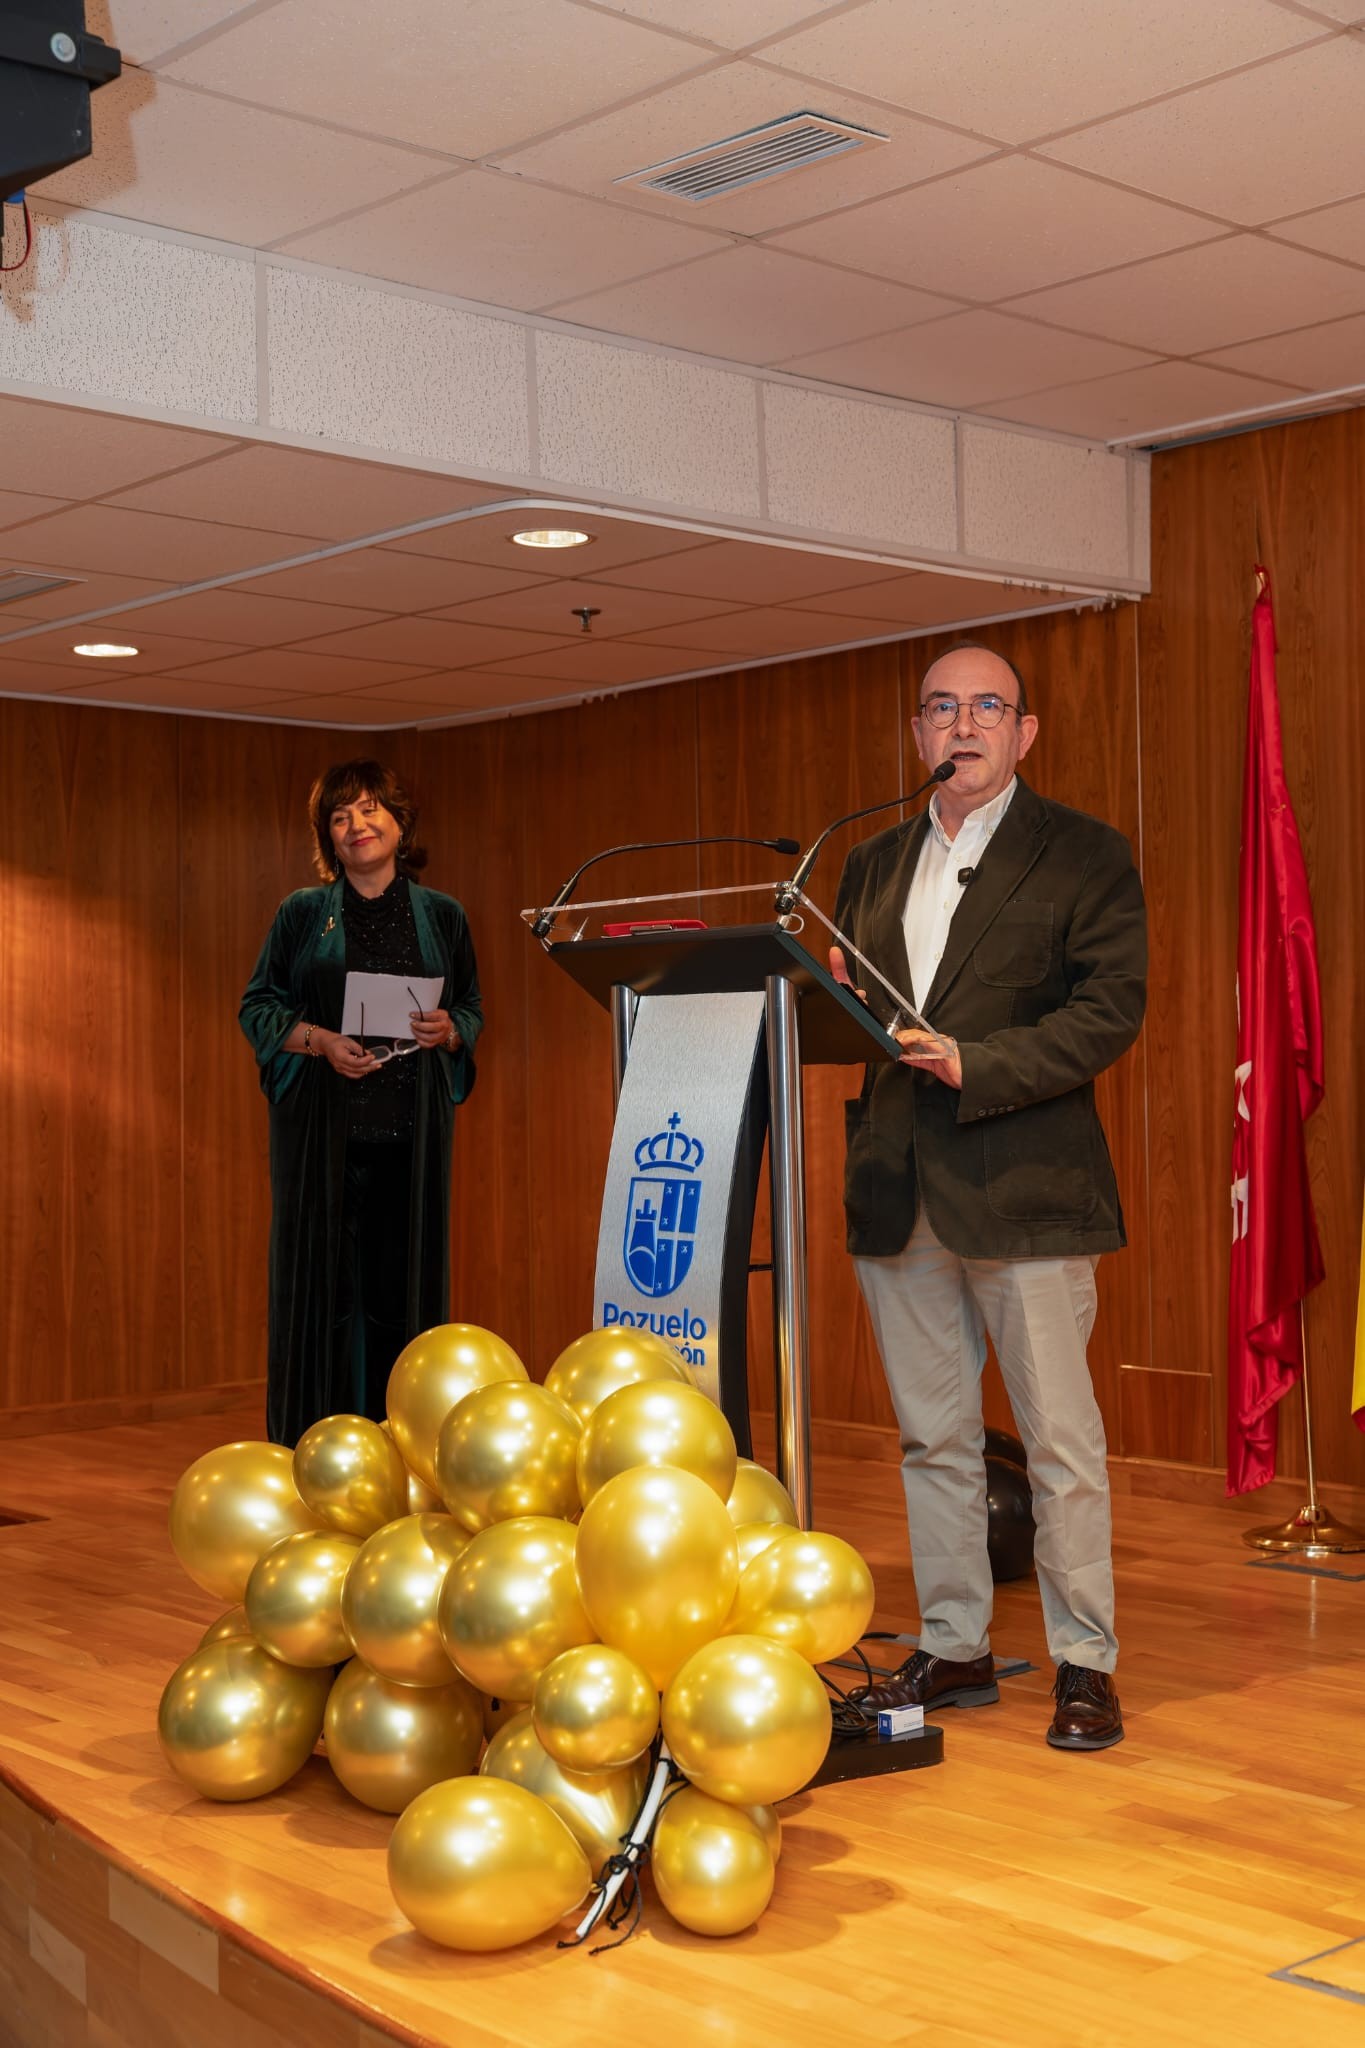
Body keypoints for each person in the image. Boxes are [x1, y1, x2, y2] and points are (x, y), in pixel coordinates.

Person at [831, 644, 1146, 1751]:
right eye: (941, 708)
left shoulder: (1085, 852)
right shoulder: (868, 862)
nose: (961, 725)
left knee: (1060, 1443)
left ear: (1025, 731)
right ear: (918, 733)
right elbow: (857, 1013)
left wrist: (977, 1063)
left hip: (1026, 1187)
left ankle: (1085, 1661)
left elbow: (1110, 1009)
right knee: (933, 1439)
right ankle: (956, 1642)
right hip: (899, 1187)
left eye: (986, 707)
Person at [240, 760, 482, 1446]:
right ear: (328, 836)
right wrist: (318, 1040)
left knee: (399, 1301)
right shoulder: (302, 913)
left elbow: (469, 1007)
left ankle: (403, 1450)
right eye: (340, 817)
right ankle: (314, 1450)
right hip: (323, 1142)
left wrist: (450, 1031)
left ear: (400, 823)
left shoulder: (443, 916)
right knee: (324, 1301)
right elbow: (258, 1007)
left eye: (370, 809)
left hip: (412, 1140)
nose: (356, 826)